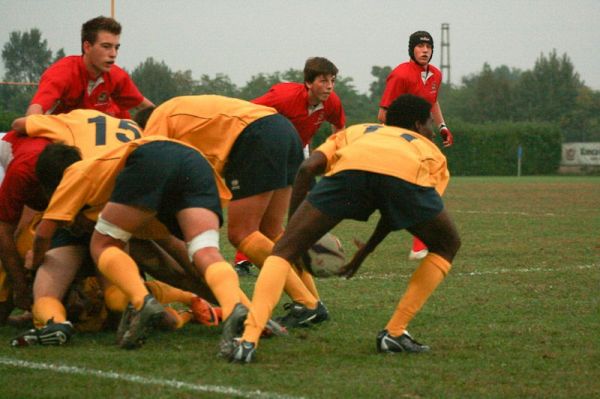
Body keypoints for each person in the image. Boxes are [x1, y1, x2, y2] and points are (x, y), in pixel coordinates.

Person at [228, 94, 461, 363]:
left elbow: (306, 169)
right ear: (420, 125)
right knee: (447, 244)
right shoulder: (431, 151)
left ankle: (248, 340)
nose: (432, 130)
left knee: (282, 251)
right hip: (405, 177)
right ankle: (394, 333)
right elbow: (398, 210)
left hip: (351, 169)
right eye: (431, 123)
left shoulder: (359, 130)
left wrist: (294, 234)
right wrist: (367, 251)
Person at [26, 136, 248, 351]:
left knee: (104, 249)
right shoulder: (120, 194)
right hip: (192, 160)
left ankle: (139, 304)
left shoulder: (76, 178)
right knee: (203, 251)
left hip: (149, 160)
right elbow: (179, 255)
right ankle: (242, 310)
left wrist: (31, 265)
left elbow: (42, 235)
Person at [135, 95, 328, 328]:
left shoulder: (157, 121)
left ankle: (306, 303)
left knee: (241, 234)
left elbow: (154, 164)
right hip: (282, 128)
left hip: (256, 135)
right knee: (272, 232)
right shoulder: (178, 111)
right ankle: (314, 301)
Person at [231, 57, 346, 279]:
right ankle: (243, 260)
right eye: (323, 81)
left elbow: (339, 126)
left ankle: (306, 252)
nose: (330, 86)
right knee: (262, 209)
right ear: (308, 83)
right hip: (268, 153)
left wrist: (334, 154)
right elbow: (245, 113)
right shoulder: (283, 96)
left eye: (332, 80)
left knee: (310, 204)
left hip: (298, 152)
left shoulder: (332, 101)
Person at [378, 30, 454, 261]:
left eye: (428, 47)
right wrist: (405, 136)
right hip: (404, 142)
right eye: (420, 46)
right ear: (411, 49)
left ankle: (420, 243)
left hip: (425, 141)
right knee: (419, 188)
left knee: (430, 183)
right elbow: (382, 115)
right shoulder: (400, 75)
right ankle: (420, 242)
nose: (425, 50)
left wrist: (442, 126)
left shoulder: (436, 75)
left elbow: (433, 102)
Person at [25, 16, 153, 118]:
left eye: (116, 47)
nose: (113, 54)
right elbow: (34, 112)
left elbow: (150, 109)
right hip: (56, 145)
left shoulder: (117, 76)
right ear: (87, 47)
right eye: (106, 47)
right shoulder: (63, 72)